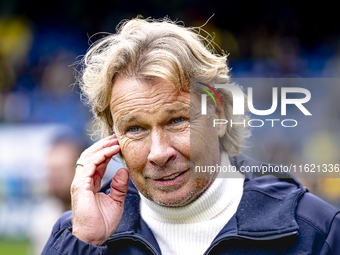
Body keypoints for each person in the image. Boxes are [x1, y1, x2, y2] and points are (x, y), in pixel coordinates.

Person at [42, 17, 340, 255]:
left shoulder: (318, 233)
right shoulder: (77, 237)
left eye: (177, 120)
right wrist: (83, 245)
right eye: (135, 128)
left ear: (220, 117)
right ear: (113, 140)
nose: (158, 153)